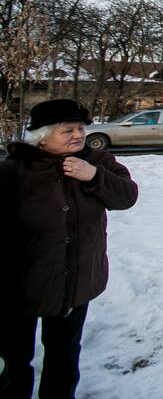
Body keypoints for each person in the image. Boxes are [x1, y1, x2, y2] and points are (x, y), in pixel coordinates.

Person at [1, 98, 138, 399]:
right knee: (15, 359)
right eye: (68, 130)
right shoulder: (14, 171)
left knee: (63, 355)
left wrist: (94, 176)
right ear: (42, 136)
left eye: (80, 128)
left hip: (75, 282)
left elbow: (127, 197)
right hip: (20, 285)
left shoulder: (98, 162)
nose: (78, 135)